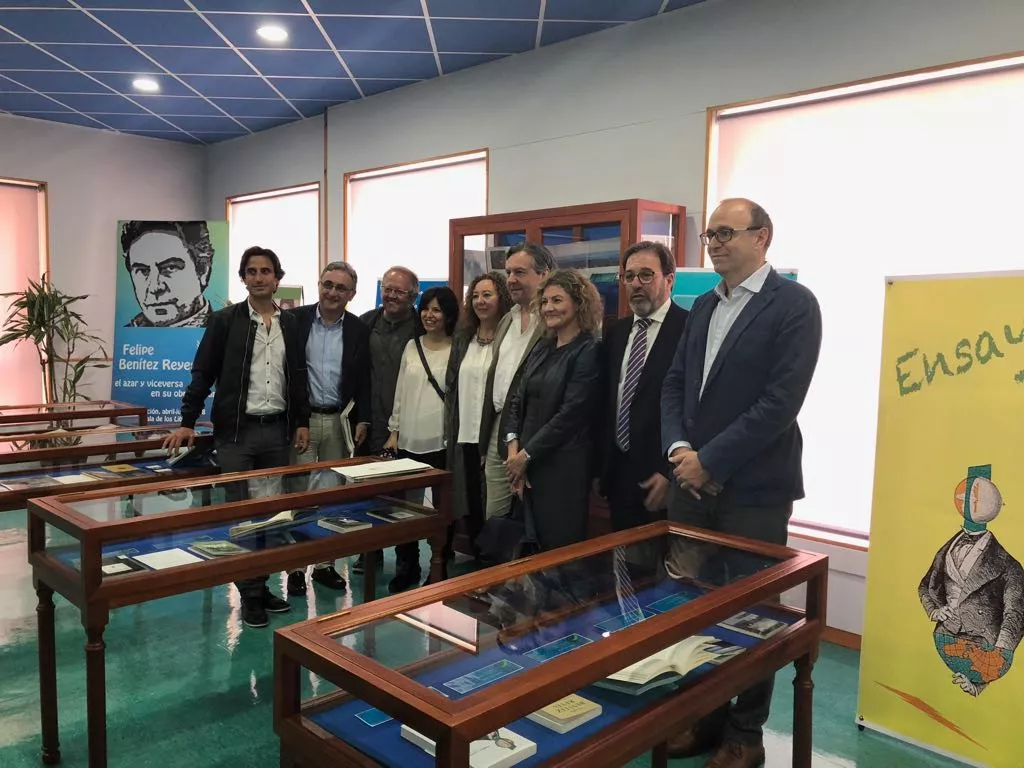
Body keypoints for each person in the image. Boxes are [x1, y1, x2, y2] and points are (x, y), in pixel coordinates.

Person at [660, 198, 822, 768]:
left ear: (763, 237)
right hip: (691, 484)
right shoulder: (702, 305)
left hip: (755, 489)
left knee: (754, 615)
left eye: (727, 232)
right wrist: (680, 450)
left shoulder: (795, 306)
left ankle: (744, 735)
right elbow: (675, 383)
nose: (716, 243)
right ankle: (702, 717)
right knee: (691, 606)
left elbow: (780, 401)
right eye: (710, 234)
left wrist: (712, 461)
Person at [163, 246, 310, 630]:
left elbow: (298, 375)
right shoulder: (225, 321)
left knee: (271, 514)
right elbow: (203, 372)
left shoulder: (291, 325)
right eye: (252, 271)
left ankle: (262, 584)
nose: (259, 277)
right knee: (241, 514)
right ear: (243, 278)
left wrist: (302, 421)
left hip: (277, 431)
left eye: (266, 271)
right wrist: (187, 421)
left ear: (277, 278)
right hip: (236, 434)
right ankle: (249, 593)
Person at [284, 261, 371, 597]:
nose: (333, 292)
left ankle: (324, 565)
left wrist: (362, 417)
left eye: (341, 288)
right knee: (299, 494)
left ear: (351, 294)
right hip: (303, 423)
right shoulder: (295, 321)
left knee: (332, 495)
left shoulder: (359, 330)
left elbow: (364, 378)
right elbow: (287, 372)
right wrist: (297, 421)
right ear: (319, 285)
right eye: (328, 284)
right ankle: (295, 568)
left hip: (339, 421)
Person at [504, 269, 603, 551]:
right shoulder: (542, 347)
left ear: (578, 303)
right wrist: (514, 455)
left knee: (558, 554)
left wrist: (525, 456)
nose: (549, 308)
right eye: (545, 301)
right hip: (524, 466)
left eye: (557, 300)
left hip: (563, 470)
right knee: (527, 552)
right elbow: (517, 400)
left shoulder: (589, 349)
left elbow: (571, 413)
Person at [598, 241, 688, 531]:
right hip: (619, 475)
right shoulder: (617, 331)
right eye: (629, 276)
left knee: (664, 569)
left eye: (646, 275)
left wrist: (670, 471)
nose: (636, 284)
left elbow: (694, 407)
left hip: (663, 477)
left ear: (669, 279)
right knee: (623, 567)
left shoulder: (690, 329)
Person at [383, 286, 459, 591]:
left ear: (449, 315)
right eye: (426, 308)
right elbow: (400, 391)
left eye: (437, 309)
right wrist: (393, 432)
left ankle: (438, 565)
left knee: (442, 510)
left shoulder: (459, 348)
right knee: (405, 511)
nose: (430, 314)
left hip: (442, 442)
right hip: (409, 442)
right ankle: (407, 565)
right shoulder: (412, 347)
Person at [353, 266, 423, 576]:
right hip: (369, 422)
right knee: (367, 490)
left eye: (400, 291)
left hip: (409, 425)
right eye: (388, 288)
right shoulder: (365, 323)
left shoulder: (424, 327)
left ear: (413, 296)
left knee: (405, 496)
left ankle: (407, 559)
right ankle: (370, 552)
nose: (392, 295)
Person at [479, 243, 555, 521]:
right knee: (495, 516)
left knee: (532, 516)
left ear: (544, 274)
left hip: (535, 431)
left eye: (520, 272)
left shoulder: (553, 322)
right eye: (509, 272)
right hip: (500, 428)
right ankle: (499, 563)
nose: (510, 279)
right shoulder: (507, 320)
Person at [444, 272, 513, 557]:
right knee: (468, 500)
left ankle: (493, 566)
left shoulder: (510, 338)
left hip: (495, 435)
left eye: (487, 295)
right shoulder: (464, 338)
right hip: (464, 434)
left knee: (493, 504)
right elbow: (451, 384)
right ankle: (476, 564)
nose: (480, 301)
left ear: (502, 299)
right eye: (475, 296)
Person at [120, 220, 214, 328]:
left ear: (203, 271)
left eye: (170, 268)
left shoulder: (222, 334)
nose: (155, 288)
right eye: (143, 271)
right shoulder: (127, 334)